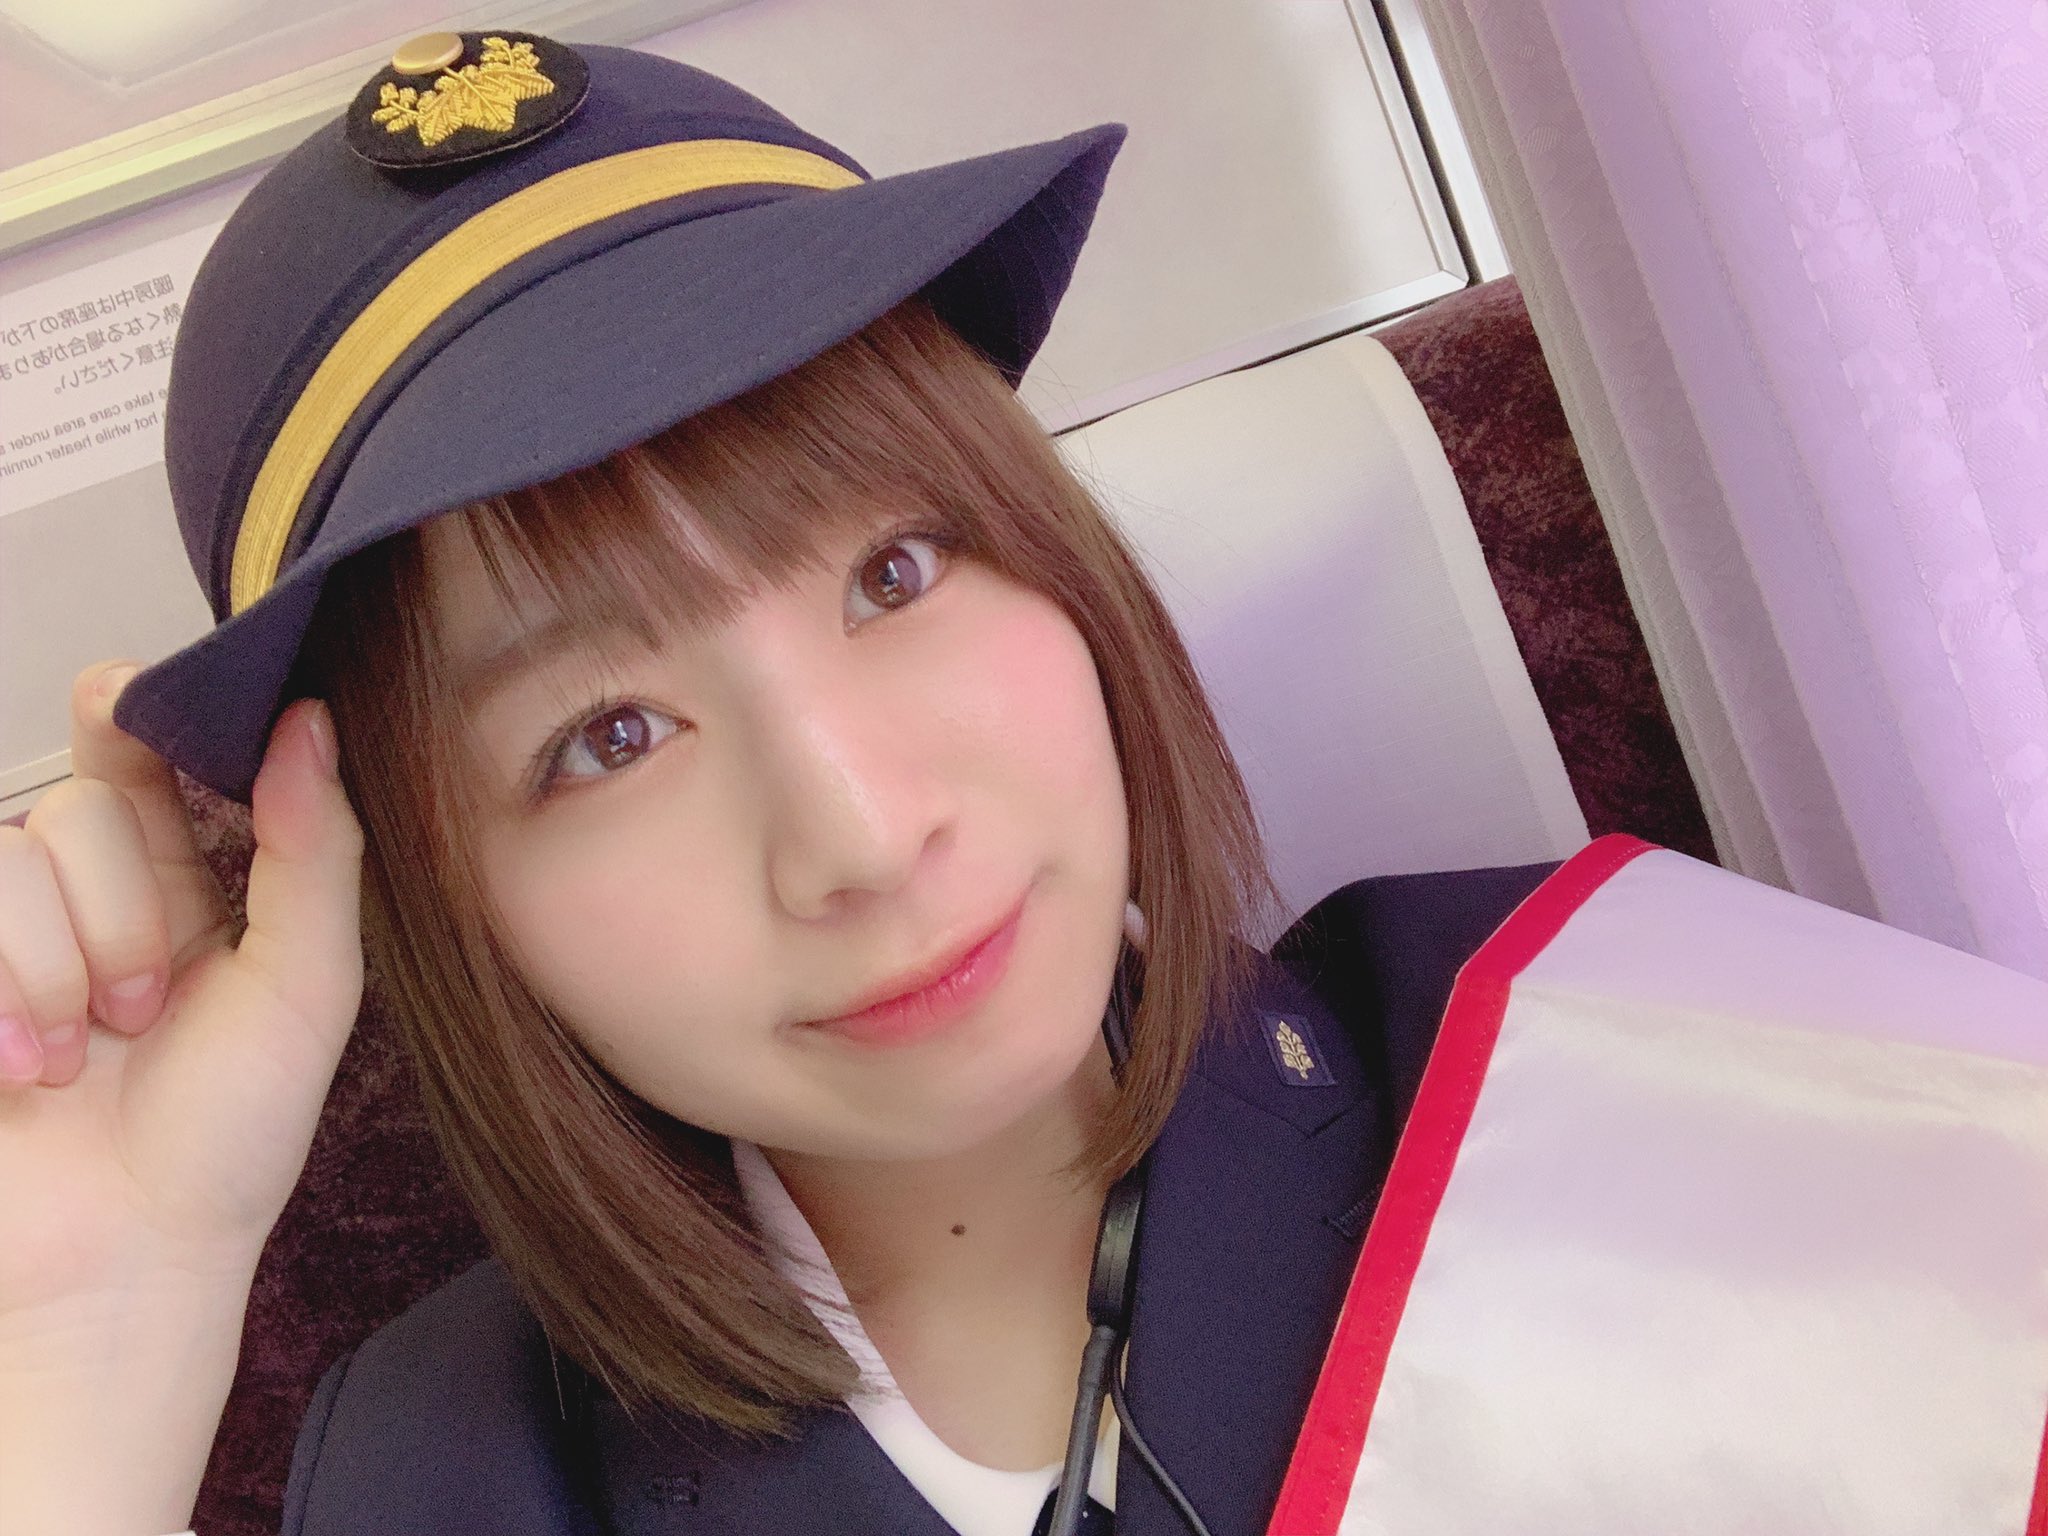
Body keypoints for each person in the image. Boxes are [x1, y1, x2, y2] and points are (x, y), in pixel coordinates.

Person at [8, 30, 2045, 1536]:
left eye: (895, 572)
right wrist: (95, 1347)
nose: (861, 834)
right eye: (605, 738)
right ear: (438, 893)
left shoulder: (1647, 1084)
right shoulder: (441, 1474)